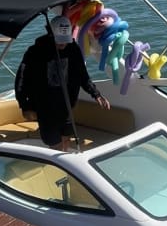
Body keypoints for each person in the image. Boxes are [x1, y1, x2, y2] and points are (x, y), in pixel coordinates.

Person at [14, 14, 110, 150]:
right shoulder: (35, 52)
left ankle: (66, 162)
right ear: (49, 33)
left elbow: (83, 75)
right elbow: (21, 80)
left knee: (67, 138)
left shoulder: (73, 49)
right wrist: (25, 105)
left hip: (66, 107)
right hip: (45, 108)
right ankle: (56, 167)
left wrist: (96, 94)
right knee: (55, 144)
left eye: (65, 40)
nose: (62, 44)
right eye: (59, 40)